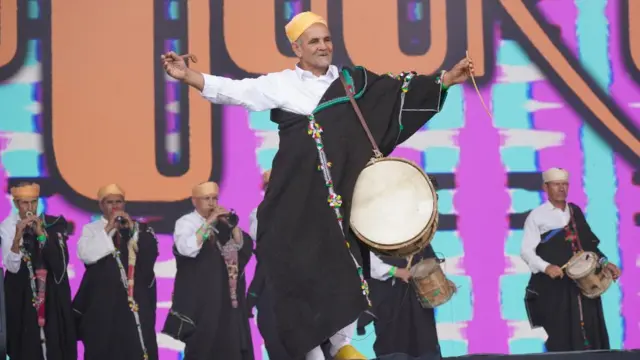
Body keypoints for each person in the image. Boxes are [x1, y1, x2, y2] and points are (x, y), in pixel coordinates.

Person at [161, 11, 472, 360]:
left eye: (326, 40)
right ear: (297, 48)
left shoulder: (355, 83)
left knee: (342, 266)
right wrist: (188, 76)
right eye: (314, 41)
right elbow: (236, 91)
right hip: (298, 197)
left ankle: (340, 344)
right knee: (296, 269)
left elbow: (397, 96)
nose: (323, 46)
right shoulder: (281, 84)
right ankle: (311, 351)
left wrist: (446, 80)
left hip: (344, 199)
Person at [521, 168, 620, 351]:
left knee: (591, 331)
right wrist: (546, 267)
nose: (561, 188)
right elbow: (526, 252)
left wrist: (605, 263)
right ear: (546, 187)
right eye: (557, 184)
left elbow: (589, 247)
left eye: (565, 184)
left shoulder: (575, 212)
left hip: (584, 284)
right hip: (557, 288)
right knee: (562, 335)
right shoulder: (537, 216)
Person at [163, 181, 255, 360]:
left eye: (214, 198)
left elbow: (243, 248)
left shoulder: (222, 222)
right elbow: (187, 249)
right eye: (207, 199)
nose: (212, 203)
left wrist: (232, 226)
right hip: (200, 303)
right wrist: (209, 223)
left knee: (230, 347)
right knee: (203, 348)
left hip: (227, 300)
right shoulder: (186, 222)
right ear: (194, 201)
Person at [72, 184, 159, 360]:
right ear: (101, 205)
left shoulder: (139, 228)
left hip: (134, 301)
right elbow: (86, 255)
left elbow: (150, 255)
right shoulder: (92, 229)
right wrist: (109, 228)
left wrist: (132, 230)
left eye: (118, 202)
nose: (115, 206)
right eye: (110, 202)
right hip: (102, 303)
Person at [0, 182, 76, 360]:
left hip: (49, 295)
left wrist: (41, 233)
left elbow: (60, 265)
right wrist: (18, 235)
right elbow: (11, 267)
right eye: (25, 203)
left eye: (33, 202)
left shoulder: (51, 224)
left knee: (53, 343)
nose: (30, 207)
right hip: (22, 295)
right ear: (16, 204)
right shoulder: (6, 227)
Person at [362, 246, 442, 358]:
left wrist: (438, 279)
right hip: (389, 294)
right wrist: (396, 271)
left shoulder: (417, 231)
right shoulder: (368, 232)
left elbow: (430, 258)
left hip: (418, 292)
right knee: (393, 340)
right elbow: (366, 260)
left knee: (424, 338)